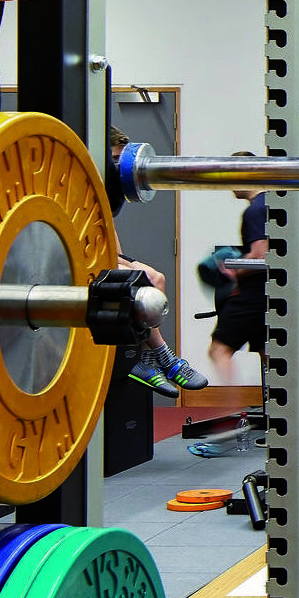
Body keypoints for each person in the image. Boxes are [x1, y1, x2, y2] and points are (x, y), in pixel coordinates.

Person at [107, 126, 209, 399]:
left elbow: (114, 245)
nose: (119, 171)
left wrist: (123, 263)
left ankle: (152, 359)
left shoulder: (109, 196)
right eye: (114, 160)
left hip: (106, 256)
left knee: (157, 277)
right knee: (141, 282)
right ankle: (161, 356)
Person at [207, 152, 268, 382]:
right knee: (270, 354)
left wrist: (231, 270)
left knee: (219, 350)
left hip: (252, 296)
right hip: (268, 294)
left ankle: (229, 405)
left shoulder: (255, 210)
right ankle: (282, 411)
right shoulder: (268, 204)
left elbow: (261, 256)